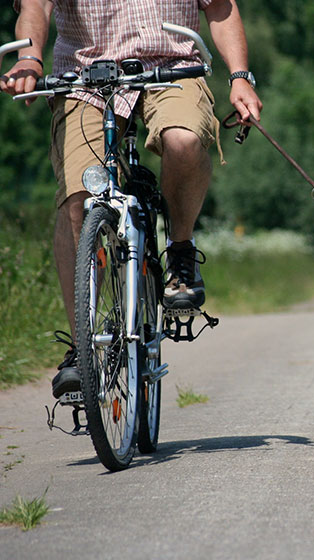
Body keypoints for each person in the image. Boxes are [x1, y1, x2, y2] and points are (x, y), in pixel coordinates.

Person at [0, 0, 262, 398]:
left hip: (173, 69)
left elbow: (221, 8)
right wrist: (30, 57)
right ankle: (82, 346)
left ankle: (180, 252)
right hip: (87, 77)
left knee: (185, 141)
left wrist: (240, 78)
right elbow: (36, 6)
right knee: (80, 196)